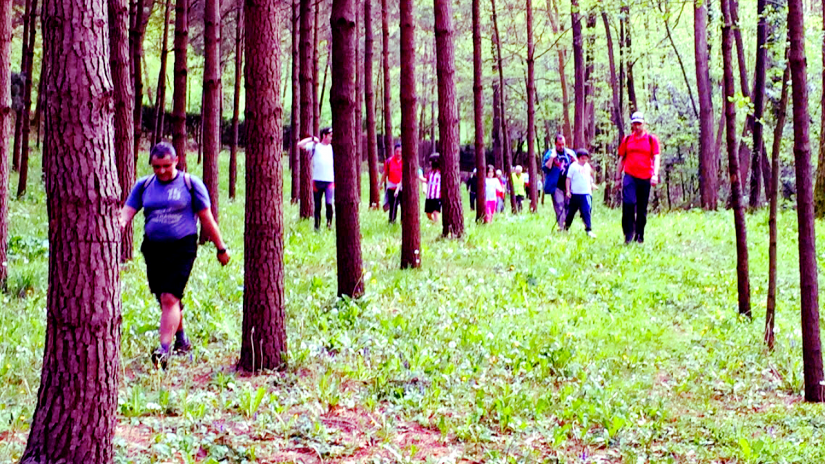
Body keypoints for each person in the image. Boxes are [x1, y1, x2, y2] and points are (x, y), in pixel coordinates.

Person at [120, 142, 230, 369]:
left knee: (170, 297)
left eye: (166, 166)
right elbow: (126, 214)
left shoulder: (190, 184)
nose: (161, 171)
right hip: (153, 248)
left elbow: (206, 217)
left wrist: (221, 248)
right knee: (166, 299)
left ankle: (164, 350)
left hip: (182, 248)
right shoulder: (144, 185)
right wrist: (111, 233)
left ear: (177, 161)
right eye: (156, 166)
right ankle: (182, 340)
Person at [617, 112, 660, 244]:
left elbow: (656, 157)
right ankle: (628, 234)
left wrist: (655, 174)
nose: (636, 126)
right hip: (630, 176)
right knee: (628, 204)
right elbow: (621, 158)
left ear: (644, 124)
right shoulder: (628, 139)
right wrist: (618, 177)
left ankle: (639, 236)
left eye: (639, 123)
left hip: (645, 177)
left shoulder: (651, 140)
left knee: (641, 208)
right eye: (634, 123)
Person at [298, 127, 335, 230]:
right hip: (317, 181)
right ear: (324, 135)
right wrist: (312, 138)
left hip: (329, 181)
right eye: (330, 135)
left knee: (329, 203)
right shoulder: (316, 146)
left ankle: (329, 224)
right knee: (317, 205)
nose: (331, 138)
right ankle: (317, 226)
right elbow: (299, 145)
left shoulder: (333, 148)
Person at [543, 134, 577, 230]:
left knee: (568, 207)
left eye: (563, 144)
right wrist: (551, 158)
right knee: (559, 206)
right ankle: (561, 228)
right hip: (556, 185)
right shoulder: (550, 153)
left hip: (568, 185)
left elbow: (578, 167)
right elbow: (546, 168)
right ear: (555, 144)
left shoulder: (570, 153)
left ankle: (566, 227)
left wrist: (574, 159)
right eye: (559, 144)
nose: (561, 147)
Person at [565, 149, 597, 238]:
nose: (584, 160)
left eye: (586, 159)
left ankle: (588, 230)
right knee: (571, 212)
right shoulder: (573, 166)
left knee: (586, 211)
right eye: (582, 158)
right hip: (575, 194)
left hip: (586, 193)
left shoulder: (587, 166)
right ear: (578, 158)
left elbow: (589, 177)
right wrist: (568, 190)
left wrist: (592, 185)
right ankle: (566, 227)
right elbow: (568, 179)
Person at [381, 143, 403, 223]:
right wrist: (380, 184)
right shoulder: (389, 161)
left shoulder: (404, 161)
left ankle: (403, 222)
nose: (399, 153)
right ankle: (392, 221)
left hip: (402, 187)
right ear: (394, 151)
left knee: (403, 205)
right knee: (393, 204)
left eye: (400, 151)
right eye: (397, 151)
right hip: (391, 186)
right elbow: (385, 173)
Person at [424, 154, 442, 223]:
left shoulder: (441, 172)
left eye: (431, 161)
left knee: (435, 212)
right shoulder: (430, 172)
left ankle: (436, 223)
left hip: (437, 196)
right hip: (429, 196)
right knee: (428, 213)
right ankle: (434, 222)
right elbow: (426, 180)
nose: (429, 163)